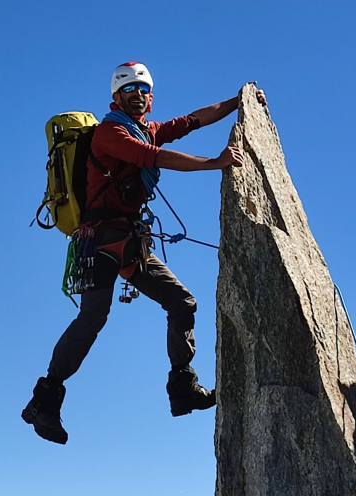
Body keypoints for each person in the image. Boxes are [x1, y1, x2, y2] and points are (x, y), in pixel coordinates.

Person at [22, 61, 267, 445]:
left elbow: (192, 120)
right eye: (129, 89)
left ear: (150, 99)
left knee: (182, 302)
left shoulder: (147, 129)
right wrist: (215, 163)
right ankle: (44, 401)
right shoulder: (110, 132)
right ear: (115, 97)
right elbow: (154, 158)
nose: (137, 95)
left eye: (143, 89)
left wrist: (240, 102)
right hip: (100, 238)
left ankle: (183, 388)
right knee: (92, 318)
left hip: (129, 240)